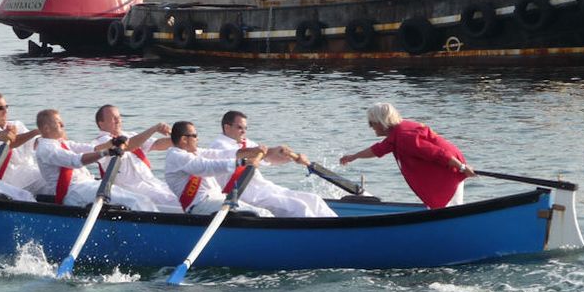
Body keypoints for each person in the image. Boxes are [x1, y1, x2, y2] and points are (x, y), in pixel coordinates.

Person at [339, 102, 476, 208]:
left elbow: (438, 154)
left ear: (382, 122)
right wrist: (354, 156)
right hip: (449, 165)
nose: (370, 127)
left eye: (371, 123)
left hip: (449, 169)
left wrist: (462, 168)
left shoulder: (405, 137)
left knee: (450, 210)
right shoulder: (396, 135)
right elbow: (377, 149)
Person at [209, 110, 337, 218]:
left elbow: (268, 158)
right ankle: (319, 236)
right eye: (239, 127)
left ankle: (338, 228)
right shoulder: (219, 146)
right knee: (298, 206)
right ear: (227, 127)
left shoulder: (245, 142)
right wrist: (272, 150)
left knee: (314, 199)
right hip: (243, 194)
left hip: (264, 188)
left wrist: (290, 157)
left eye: (245, 128)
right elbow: (244, 154)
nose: (244, 131)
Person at [33, 108, 157, 212]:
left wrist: (112, 143)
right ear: (46, 128)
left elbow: (91, 148)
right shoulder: (46, 149)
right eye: (59, 123)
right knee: (134, 202)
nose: (63, 125)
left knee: (143, 200)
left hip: (88, 185)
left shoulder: (62, 143)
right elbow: (76, 160)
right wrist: (105, 153)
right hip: (74, 191)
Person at [163, 120, 273, 216]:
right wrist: (242, 162)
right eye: (195, 135)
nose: (198, 139)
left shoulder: (194, 153)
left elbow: (221, 155)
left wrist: (251, 151)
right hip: (201, 205)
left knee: (264, 213)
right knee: (262, 214)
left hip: (216, 201)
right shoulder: (177, 156)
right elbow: (206, 167)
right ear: (184, 139)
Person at [92, 104, 181, 212]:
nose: (118, 120)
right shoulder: (100, 142)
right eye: (113, 118)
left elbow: (157, 144)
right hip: (130, 189)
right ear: (101, 124)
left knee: (182, 195)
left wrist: (180, 139)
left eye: (119, 117)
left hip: (152, 183)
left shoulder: (130, 135)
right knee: (175, 201)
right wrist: (154, 128)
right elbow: (128, 146)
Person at [0, 92, 45, 196]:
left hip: (28, 172)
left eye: (6, 107)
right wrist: (35, 132)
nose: (6, 111)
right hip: (9, 179)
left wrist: (48, 137)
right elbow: (9, 144)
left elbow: (34, 144)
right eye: (1, 108)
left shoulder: (16, 124)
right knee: (49, 176)